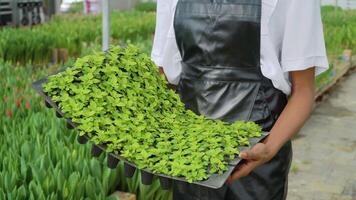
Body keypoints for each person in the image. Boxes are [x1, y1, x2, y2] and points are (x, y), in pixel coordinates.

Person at [151, 0, 329, 199]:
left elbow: (303, 91)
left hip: (257, 159)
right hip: (190, 155)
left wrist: (269, 148)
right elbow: (164, 78)